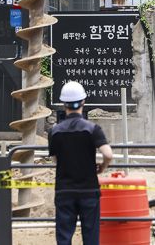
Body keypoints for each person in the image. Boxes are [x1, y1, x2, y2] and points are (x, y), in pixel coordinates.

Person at [50, 81, 114, 245]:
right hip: (89, 190)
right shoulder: (92, 129)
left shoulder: (54, 132)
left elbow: (56, 159)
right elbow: (108, 154)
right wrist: (101, 167)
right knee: (91, 236)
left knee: (64, 237)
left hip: (64, 190)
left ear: (64, 104)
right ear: (83, 102)